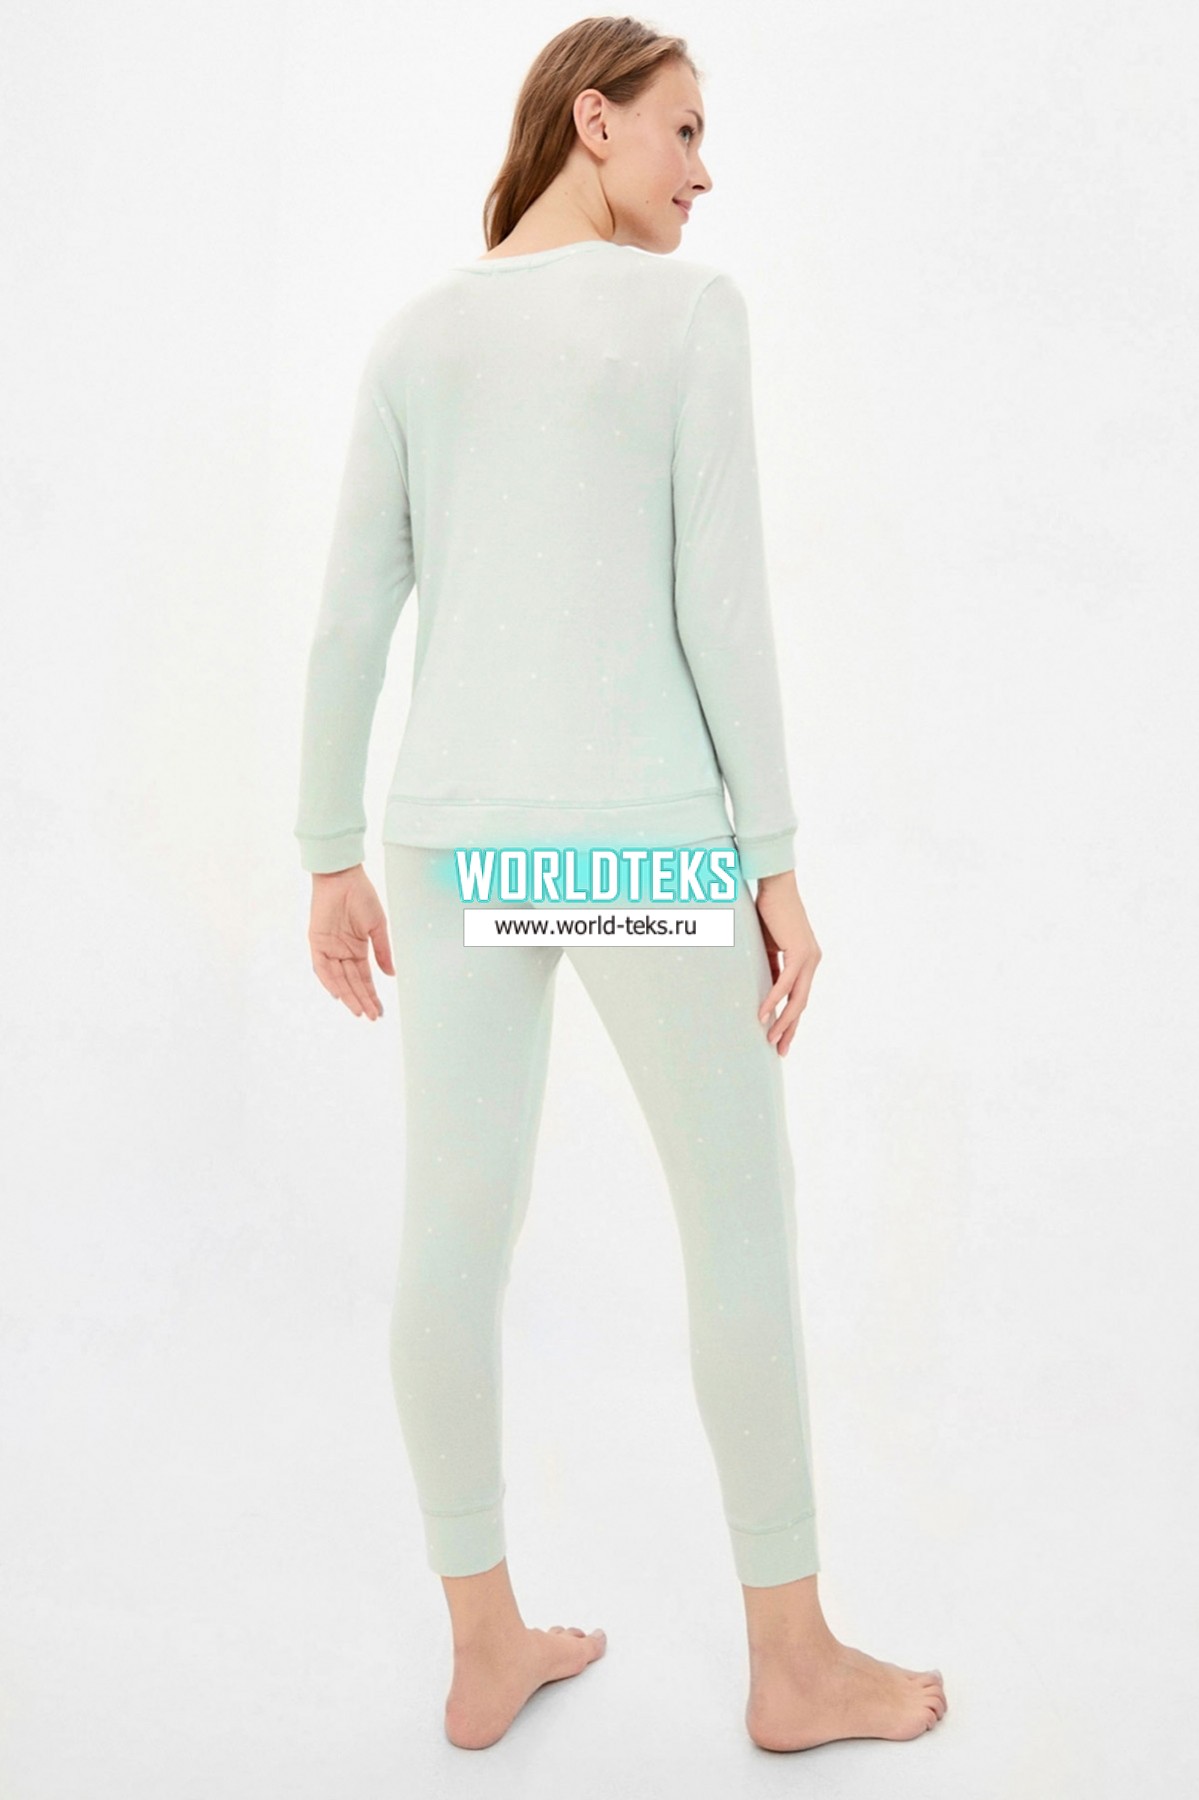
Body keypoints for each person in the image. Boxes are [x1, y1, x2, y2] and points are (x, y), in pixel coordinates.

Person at [293, 15, 946, 1756]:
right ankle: (793, 1662)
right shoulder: (688, 318)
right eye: (685, 131)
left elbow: (351, 620)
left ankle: (481, 1644)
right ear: (595, 123)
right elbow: (721, 610)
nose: (705, 172)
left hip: (453, 845)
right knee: (737, 1222)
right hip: (635, 843)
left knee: (453, 1229)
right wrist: (775, 865)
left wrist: (329, 852)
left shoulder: (417, 336)